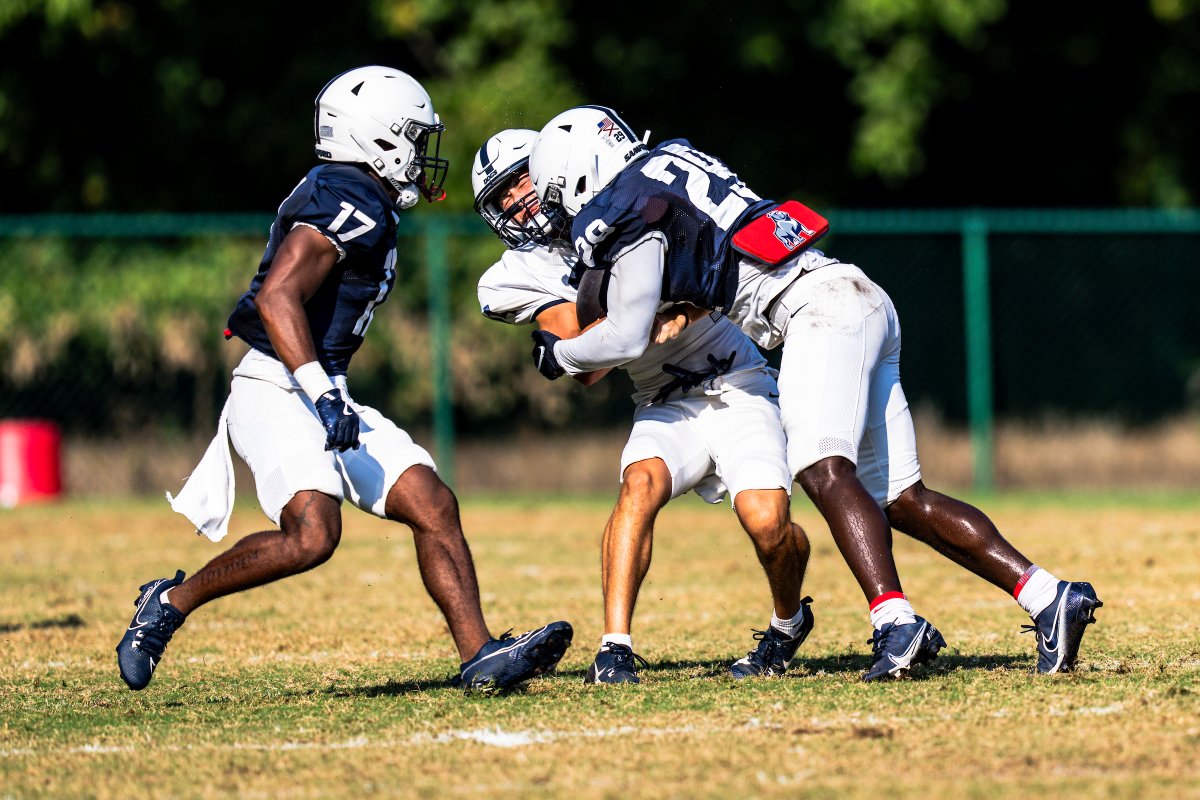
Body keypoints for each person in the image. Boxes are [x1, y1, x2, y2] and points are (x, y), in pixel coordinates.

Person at [523, 105, 1102, 679]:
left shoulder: (628, 202)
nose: (563, 213)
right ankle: (1050, 597)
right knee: (902, 498)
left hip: (814, 312)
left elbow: (625, 334)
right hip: (854, 292)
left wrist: (560, 353)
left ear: (579, 171)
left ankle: (895, 625)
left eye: (556, 196)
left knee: (821, 468)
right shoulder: (669, 159)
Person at [115, 67, 572, 695]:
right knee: (311, 536)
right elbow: (279, 296)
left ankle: (479, 656)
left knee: (433, 503)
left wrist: (329, 390)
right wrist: (323, 393)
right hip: (278, 385)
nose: (421, 151)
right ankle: (168, 604)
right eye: (413, 135)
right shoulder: (348, 194)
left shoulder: (361, 196)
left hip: (320, 384)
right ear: (378, 136)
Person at [472, 129, 814, 683]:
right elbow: (587, 360)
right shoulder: (520, 272)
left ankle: (788, 619)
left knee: (768, 523)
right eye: (501, 197)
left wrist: (679, 304)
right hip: (660, 398)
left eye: (520, 179)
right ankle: (614, 648)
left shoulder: (634, 196)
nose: (516, 199)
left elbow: (720, 267)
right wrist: (652, 310)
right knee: (639, 484)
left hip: (736, 378)